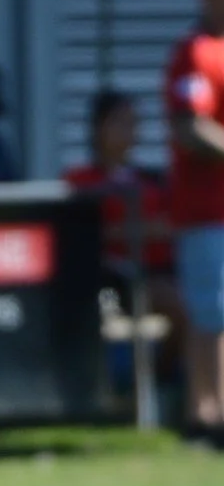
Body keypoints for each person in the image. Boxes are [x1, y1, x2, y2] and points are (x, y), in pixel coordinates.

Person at [164, 0, 224, 446]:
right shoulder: (196, 52)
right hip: (207, 211)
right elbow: (190, 128)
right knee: (213, 315)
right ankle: (207, 415)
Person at [64, 90, 179, 348]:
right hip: (113, 283)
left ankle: (163, 380)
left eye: (133, 122)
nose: (129, 130)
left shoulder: (152, 180)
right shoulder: (80, 182)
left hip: (165, 272)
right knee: (183, 305)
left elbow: (171, 225)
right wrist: (134, 231)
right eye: (119, 121)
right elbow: (79, 235)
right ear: (98, 128)